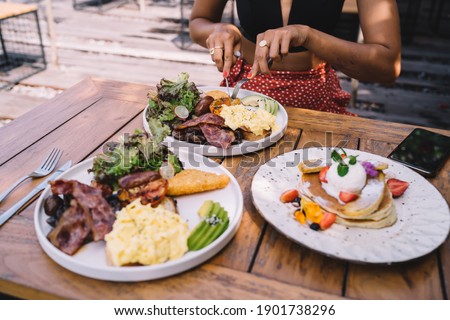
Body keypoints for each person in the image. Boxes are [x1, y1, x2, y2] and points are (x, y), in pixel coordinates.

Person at [189, 0, 401, 115]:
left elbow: (386, 66)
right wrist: (219, 30)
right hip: (244, 93)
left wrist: (308, 36)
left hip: (315, 97)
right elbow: (199, 21)